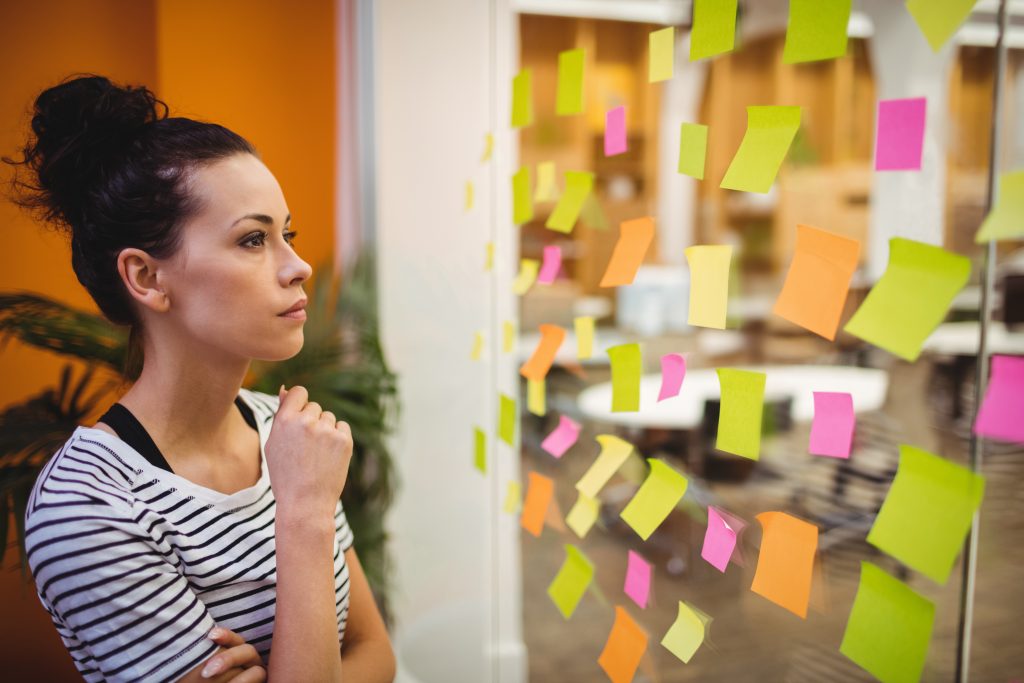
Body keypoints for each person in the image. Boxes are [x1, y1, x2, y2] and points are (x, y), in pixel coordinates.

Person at [4, 74, 396, 682]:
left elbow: (377, 653)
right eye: (253, 239)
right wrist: (302, 514)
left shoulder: (283, 430)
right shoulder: (86, 505)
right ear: (147, 278)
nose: (299, 266)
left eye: (287, 234)